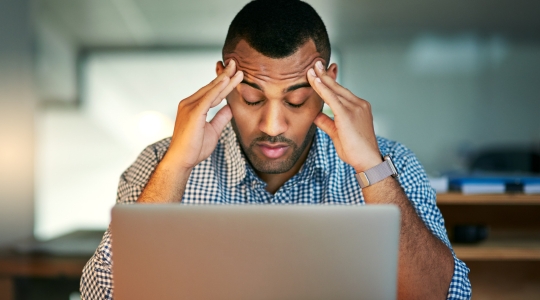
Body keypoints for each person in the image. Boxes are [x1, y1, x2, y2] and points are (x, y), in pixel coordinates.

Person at [80, 0, 471, 299]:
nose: (272, 126)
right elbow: (105, 295)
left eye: (297, 101)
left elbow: (442, 295)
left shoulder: (392, 163)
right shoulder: (158, 163)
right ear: (223, 82)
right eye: (251, 99)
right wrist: (176, 167)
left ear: (328, 84)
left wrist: (370, 166)